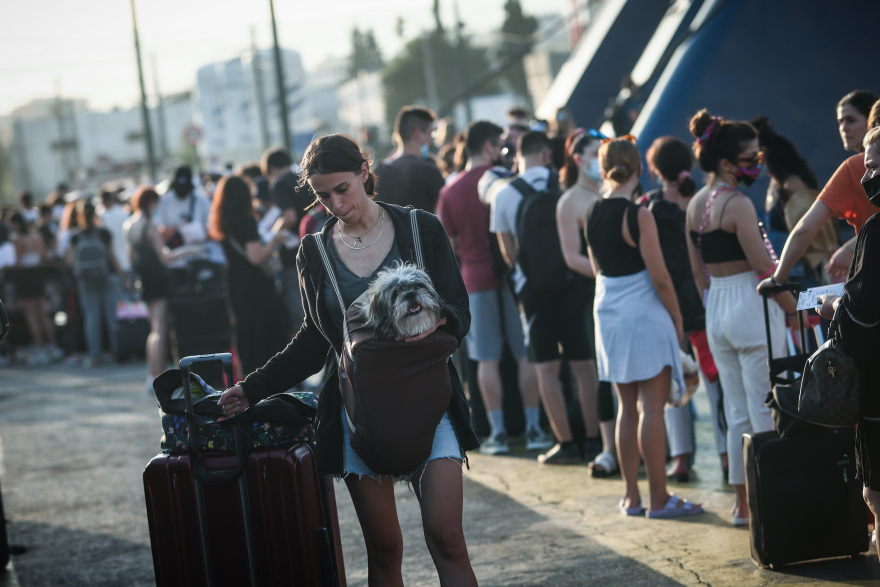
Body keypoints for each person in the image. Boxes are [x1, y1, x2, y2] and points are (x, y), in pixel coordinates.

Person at [218, 134, 479, 586]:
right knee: (384, 551)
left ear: (363, 171)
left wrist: (437, 323)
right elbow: (314, 341)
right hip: (360, 414)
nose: (335, 204)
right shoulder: (314, 252)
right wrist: (251, 387)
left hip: (429, 401)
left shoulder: (421, 229)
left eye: (342, 189)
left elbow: (459, 311)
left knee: (447, 538)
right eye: (322, 196)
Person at [685, 110, 797, 525]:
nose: (757, 163)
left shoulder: (695, 205)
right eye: (751, 157)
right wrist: (795, 309)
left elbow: (698, 273)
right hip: (752, 305)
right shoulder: (739, 205)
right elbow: (766, 270)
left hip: (717, 306)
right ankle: (775, 499)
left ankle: (742, 505)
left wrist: (715, 308)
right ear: (727, 163)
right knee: (766, 407)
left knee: (735, 413)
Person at [586, 136, 702, 518]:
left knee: (626, 409)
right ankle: (659, 499)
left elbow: (599, 271)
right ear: (639, 169)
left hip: (610, 316)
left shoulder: (591, 213)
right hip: (644, 315)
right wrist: (678, 318)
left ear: (603, 171)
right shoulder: (639, 215)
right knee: (652, 407)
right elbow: (661, 277)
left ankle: (632, 497)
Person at [438, 121, 553, 455]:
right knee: (523, 354)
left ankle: (498, 433)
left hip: (473, 279)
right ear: (489, 147)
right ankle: (533, 428)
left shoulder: (450, 191)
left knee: (485, 359)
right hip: (512, 275)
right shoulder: (507, 184)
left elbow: (451, 243)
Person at [490, 130, 596, 465]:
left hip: (534, 292)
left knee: (546, 368)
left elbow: (508, 252)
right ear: (548, 155)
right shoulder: (566, 184)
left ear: (517, 157)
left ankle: (564, 444)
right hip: (574, 283)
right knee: (583, 365)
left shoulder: (504, 193)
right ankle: (593, 440)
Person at [816, 126, 880, 562]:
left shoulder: (876, 231)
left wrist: (829, 307)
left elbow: (860, 319)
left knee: (878, 496)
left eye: (874, 165)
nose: (867, 174)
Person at [644, 136, 724, 483]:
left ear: (654, 169)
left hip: (666, 308)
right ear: (687, 165)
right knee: (715, 381)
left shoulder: (647, 206)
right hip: (705, 303)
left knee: (675, 383)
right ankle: (726, 453)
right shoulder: (703, 201)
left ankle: (680, 457)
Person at [758, 90, 878, 293]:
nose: (843, 128)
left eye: (851, 120)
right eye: (840, 122)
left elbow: (805, 228)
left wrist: (778, 279)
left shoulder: (852, 167)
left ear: (871, 122)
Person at [556, 128, 615, 473]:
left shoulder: (611, 192)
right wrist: (609, 272)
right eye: (596, 152)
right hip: (590, 294)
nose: (601, 160)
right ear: (579, 160)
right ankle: (604, 445)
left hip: (623, 290)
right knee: (601, 371)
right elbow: (571, 256)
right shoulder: (570, 202)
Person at [208, 175, 291, 375]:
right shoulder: (246, 220)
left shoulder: (223, 222)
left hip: (235, 284)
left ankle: (248, 378)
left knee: (246, 334)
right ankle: (268, 378)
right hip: (256, 287)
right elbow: (256, 257)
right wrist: (274, 241)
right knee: (265, 333)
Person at [125, 187, 204, 392]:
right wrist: (188, 250)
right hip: (158, 280)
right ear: (151, 203)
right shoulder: (149, 225)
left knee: (154, 328)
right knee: (160, 329)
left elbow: (131, 257)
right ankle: (156, 375)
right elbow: (164, 257)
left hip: (145, 280)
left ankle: (152, 373)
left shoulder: (130, 224)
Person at [752, 117, 839, 289]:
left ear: (764, 152)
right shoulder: (774, 183)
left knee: (806, 315)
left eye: (751, 155)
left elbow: (814, 224)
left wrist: (834, 252)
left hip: (799, 273)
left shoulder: (792, 183)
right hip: (785, 271)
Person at [66, 200, 128, 367]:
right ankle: (117, 352)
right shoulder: (104, 233)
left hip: (85, 281)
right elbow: (113, 258)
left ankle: (95, 355)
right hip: (107, 277)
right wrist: (124, 278)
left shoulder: (75, 236)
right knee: (112, 317)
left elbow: (69, 261)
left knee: (92, 318)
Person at [262, 147, 313, 333]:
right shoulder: (303, 178)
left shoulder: (280, 184)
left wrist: (272, 234)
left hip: (294, 252)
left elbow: (289, 217)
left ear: (271, 168)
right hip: (315, 242)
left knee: (298, 303)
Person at [9, 212, 62, 364]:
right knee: (42, 312)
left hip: (24, 276)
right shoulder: (36, 237)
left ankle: (40, 346)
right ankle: (53, 345)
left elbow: (18, 262)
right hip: (37, 274)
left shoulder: (17, 239)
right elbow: (44, 255)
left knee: (31, 314)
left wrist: (8, 266)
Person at [375, 105, 445, 212]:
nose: (432, 140)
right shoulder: (429, 170)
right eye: (431, 133)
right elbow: (444, 213)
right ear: (418, 135)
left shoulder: (380, 171)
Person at [155, 166, 211, 250]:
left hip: (199, 252)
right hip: (174, 255)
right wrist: (177, 228)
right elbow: (158, 232)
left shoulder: (202, 201)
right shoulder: (164, 202)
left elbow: (211, 230)